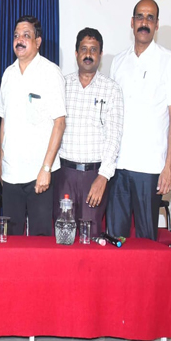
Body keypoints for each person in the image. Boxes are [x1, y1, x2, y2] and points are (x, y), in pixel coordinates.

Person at [108, 0, 171, 240]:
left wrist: (169, 167)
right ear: (132, 23)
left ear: (157, 24)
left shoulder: (168, 61)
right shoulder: (118, 62)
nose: (145, 22)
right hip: (118, 165)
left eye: (150, 17)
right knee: (116, 239)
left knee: (146, 241)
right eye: (140, 17)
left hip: (150, 168)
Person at [0, 16, 66, 236]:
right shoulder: (8, 74)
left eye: (26, 35)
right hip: (11, 173)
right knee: (11, 240)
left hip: (39, 174)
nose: (20, 40)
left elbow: (60, 123)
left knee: (40, 241)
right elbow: (4, 121)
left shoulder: (50, 72)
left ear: (38, 41)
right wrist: (1, 163)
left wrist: (46, 169)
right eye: (16, 35)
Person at [54, 28, 123, 238]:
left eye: (93, 50)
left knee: (90, 238)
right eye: (83, 49)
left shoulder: (111, 89)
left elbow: (114, 136)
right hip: (64, 174)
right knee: (63, 236)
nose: (88, 54)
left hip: (94, 176)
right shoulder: (62, 85)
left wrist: (103, 177)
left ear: (100, 55)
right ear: (76, 53)